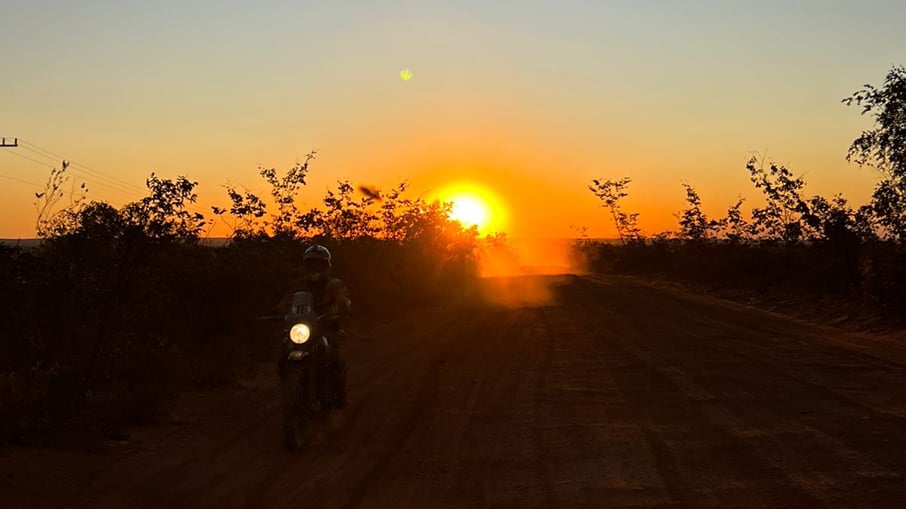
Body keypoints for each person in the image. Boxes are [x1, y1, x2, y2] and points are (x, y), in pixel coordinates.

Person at [298, 244, 351, 408]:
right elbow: (287, 301)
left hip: (327, 329)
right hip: (302, 329)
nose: (315, 268)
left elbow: (344, 300)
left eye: (319, 264)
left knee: (336, 359)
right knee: (284, 351)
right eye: (311, 264)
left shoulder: (335, 284)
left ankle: (339, 396)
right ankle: (289, 387)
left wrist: (342, 309)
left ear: (327, 266)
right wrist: (276, 311)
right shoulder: (300, 285)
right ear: (306, 266)